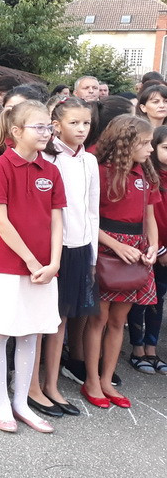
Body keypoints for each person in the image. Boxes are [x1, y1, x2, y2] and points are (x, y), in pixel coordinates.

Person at [0, 100, 65, 434]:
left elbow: (57, 221)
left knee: (31, 333)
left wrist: (54, 263)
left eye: (48, 126)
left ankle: (21, 402)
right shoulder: (0, 166)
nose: (46, 132)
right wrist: (30, 260)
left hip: (44, 268)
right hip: (8, 265)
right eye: (38, 127)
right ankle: (1, 401)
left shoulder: (51, 170)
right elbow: (0, 220)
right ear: (16, 131)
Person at [83, 115, 159, 410]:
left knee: (118, 321)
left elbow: (149, 216)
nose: (151, 149)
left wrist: (152, 247)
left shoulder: (145, 173)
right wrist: (115, 245)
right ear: (126, 143)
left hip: (136, 250)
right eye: (145, 143)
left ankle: (106, 380)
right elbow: (89, 218)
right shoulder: (100, 171)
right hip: (107, 248)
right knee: (98, 319)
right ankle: (91, 380)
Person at [33, 97, 98, 417]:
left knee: (62, 320)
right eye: (74, 123)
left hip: (79, 248)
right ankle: (30, 383)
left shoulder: (90, 161)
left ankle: (52, 384)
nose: (81, 129)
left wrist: (92, 257)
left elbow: (92, 211)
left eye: (86, 123)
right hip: (49, 249)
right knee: (40, 320)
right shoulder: (47, 158)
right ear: (56, 126)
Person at [127, 124, 167, 375]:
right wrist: (159, 249)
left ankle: (152, 348)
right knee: (141, 300)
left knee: (158, 300)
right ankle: (137, 348)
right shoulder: (149, 176)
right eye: (165, 147)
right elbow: (150, 217)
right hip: (151, 249)